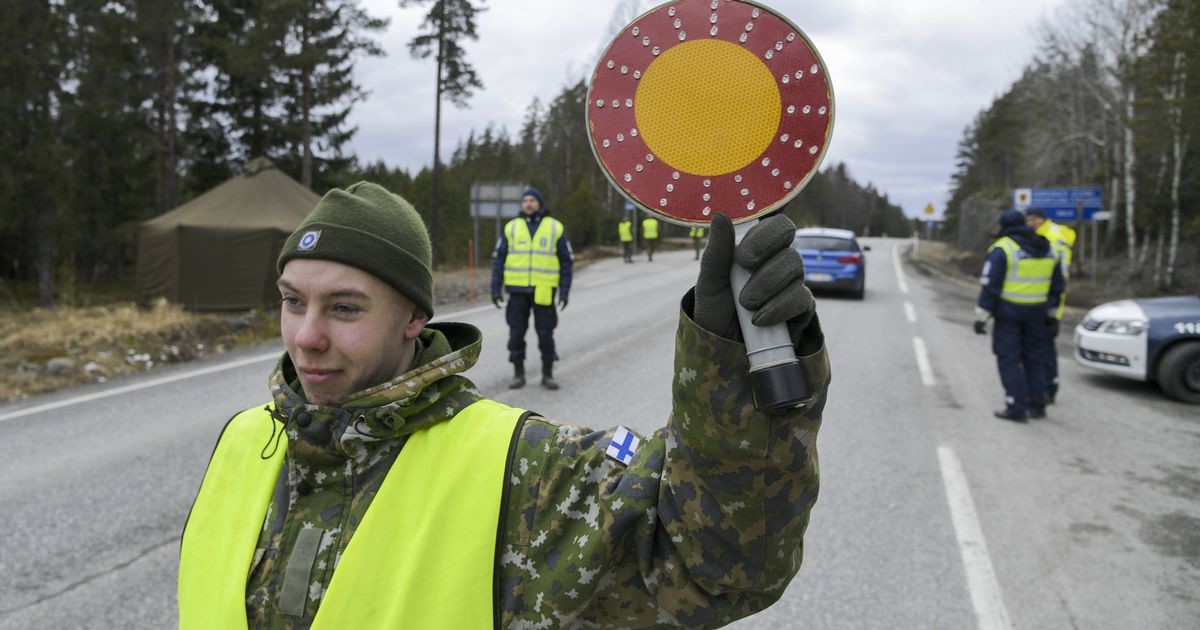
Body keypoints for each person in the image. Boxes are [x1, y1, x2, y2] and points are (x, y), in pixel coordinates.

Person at [176, 181, 830, 628]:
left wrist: (730, 379)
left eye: (344, 308)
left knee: (536, 341)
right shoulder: (245, 440)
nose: (306, 337)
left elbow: (719, 564)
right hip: (516, 298)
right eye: (294, 301)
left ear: (414, 318)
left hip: (550, 308)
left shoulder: (523, 466)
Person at [974, 209, 1065, 422]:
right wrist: (1052, 312)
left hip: (1009, 314)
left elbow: (990, 286)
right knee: (1034, 358)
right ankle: (1038, 404)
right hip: (1038, 313)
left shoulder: (1003, 249)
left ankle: (1016, 406)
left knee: (1009, 359)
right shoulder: (1047, 248)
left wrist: (981, 316)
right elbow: (1057, 285)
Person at [490, 188, 572, 390]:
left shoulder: (554, 227)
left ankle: (548, 374)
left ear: (540, 203)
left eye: (532, 200)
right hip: (517, 292)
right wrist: (495, 288)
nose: (528, 203)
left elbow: (566, 261)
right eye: (525, 200)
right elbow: (498, 260)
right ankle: (518, 374)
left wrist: (564, 290)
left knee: (546, 334)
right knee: (516, 333)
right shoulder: (512, 227)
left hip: (544, 289)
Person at [1024, 208, 1075, 403]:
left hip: (1048, 302)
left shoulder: (1050, 238)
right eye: (1027, 220)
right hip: (1049, 300)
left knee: (1043, 348)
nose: (1029, 224)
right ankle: (1046, 386)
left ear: (1040, 219)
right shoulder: (1051, 233)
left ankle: (1047, 389)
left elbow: (1054, 274)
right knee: (1044, 347)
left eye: (1031, 220)